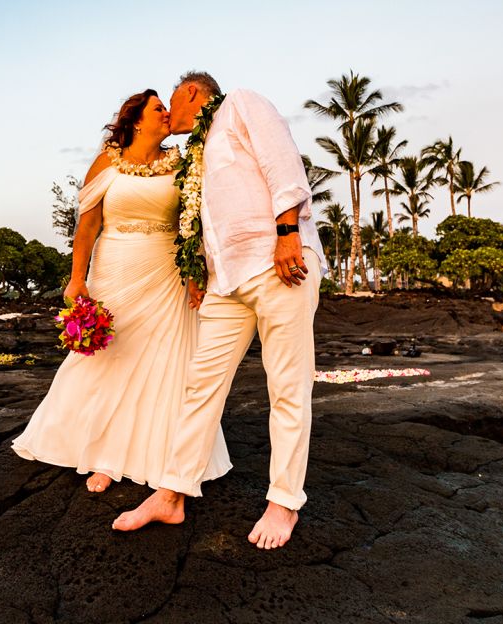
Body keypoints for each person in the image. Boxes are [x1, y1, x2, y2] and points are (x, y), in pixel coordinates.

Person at [112, 72, 327, 550]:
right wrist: (200, 274)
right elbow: (210, 218)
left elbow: (283, 164)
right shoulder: (196, 152)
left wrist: (288, 234)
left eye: (171, 101)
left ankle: (284, 502)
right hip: (225, 282)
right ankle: (171, 492)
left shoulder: (241, 104)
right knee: (200, 386)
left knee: (288, 388)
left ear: (192, 91)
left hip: (279, 263)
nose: (168, 112)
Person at [12, 89, 232, 493]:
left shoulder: (182, 164)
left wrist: (196, 273)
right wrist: (76, 279)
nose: (167, 113)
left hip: (167, 271)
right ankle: (98, 453)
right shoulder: (105, 163)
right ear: (135, 120)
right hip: (115, 267)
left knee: (165, 360)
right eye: (158, 108)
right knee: (110, 357)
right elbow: (88, 227)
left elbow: (197, 222)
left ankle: (159, 455)